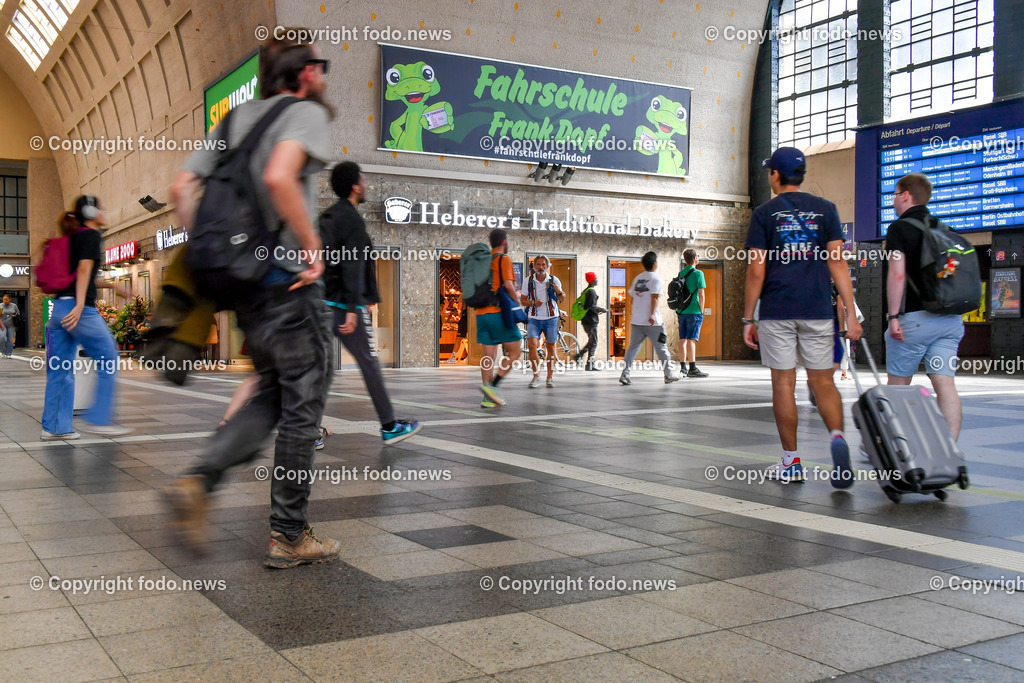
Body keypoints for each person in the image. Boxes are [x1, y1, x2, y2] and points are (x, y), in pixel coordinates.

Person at [165, 37, 339, 569]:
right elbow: (278, 175)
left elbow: (180, 189)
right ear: (306, 72)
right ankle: (288, 534)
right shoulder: (305, 112)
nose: (324, 76)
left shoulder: (235, 119)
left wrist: (224, 254)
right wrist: (311, 249)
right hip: (289, 284)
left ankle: (200, 479)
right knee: (304, 405)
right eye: (322, 67)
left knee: (272, 391)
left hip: (246, 291)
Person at [742, 147, 861, 486]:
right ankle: (837, 437)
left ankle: (792, 462)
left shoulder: (764, 214)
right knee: (822, 382)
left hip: (778, 311)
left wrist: (748, 318)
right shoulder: (827, 210)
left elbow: (755, 270)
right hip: (818, 310)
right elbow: (837, 263)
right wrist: (850, 315)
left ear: (775, 176)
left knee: (783, 383)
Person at [320, 161, 421, 443]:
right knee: (369, 363)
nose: (366, 183)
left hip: (322, 304)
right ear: (354, 186)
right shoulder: (350, 219)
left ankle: (306, 431)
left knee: (321, 369)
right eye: (363, 179)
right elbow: (351, 265)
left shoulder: (327, 217)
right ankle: (389, 426)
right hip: (344, 307)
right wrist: (353, 307)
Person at [41, 200, 133, 439]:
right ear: (91, 212)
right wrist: (81, 304)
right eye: (100, 207)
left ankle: (53, 428)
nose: (104, 211)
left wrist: (111, 285)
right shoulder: (91, 235)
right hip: (78, 310)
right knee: (109, 357)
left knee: (59, 370)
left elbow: (82, 276)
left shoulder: (71, 238)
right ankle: (100, 419)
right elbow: (83, 271)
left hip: (59, 308)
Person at [884, 172, 965, 439]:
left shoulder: (899, 228)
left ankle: (892, 444)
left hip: (914, 321)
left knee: (898, 385)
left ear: (906, 195)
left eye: (895, 195)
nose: (894, 201)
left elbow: (897, 273)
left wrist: (894, 316)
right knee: (945, 384)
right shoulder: (946, 229)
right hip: (949, 321)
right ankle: (950, 447)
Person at [476, 228, 523, 407]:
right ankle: (493, 386)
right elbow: (509, 286)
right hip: (498, 313)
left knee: (488, 356)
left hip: (481, 314)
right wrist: (517, 304)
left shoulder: (482, 261)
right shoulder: (504, 259)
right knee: (515, 351)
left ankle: (489, 399)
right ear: (504, 242)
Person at [619, 251, 680, 385]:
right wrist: (652, 314)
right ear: (654, 263)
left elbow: (632, 297)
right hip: (654, 323)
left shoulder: (638, 279)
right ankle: (669, 374)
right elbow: (655, 298)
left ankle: (625, 374)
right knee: (662, 347)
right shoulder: (655, 278)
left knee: (632, 348)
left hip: (637, 321)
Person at [522, 255, 565, 388]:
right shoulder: (528, 281)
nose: (541, 267)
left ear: (547, 266)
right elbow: (522, 300)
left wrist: (557, 290)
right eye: (538, 264)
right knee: (532, 345)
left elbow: (562, 298)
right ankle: (536, 376)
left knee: (551, 347)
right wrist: (534, 302)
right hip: (533, 317)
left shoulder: (554, 279)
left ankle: (550, 377)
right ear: (534, 266)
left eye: (543, 265)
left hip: (551, 318)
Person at [675, 249, 709, 378]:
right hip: (694, 311)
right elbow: (701, 294)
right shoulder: (699, 273)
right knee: (691, 340)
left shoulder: (681, 273)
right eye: (698, 256)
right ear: (695, 258)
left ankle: (683, 367)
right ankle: (692, 368)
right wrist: (702, 310)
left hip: (681, 311)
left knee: (682, 339)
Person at [573, 272, 605, 371]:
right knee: (594, 342)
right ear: (592, 280)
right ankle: (586, 361)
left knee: (592, 341)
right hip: (591, 320)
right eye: (596, 278)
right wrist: (602, 309)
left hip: (586, 320)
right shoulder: (591, 292)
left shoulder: (586, 291)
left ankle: (583, 359)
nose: (597, 280)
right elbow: (590, 306)